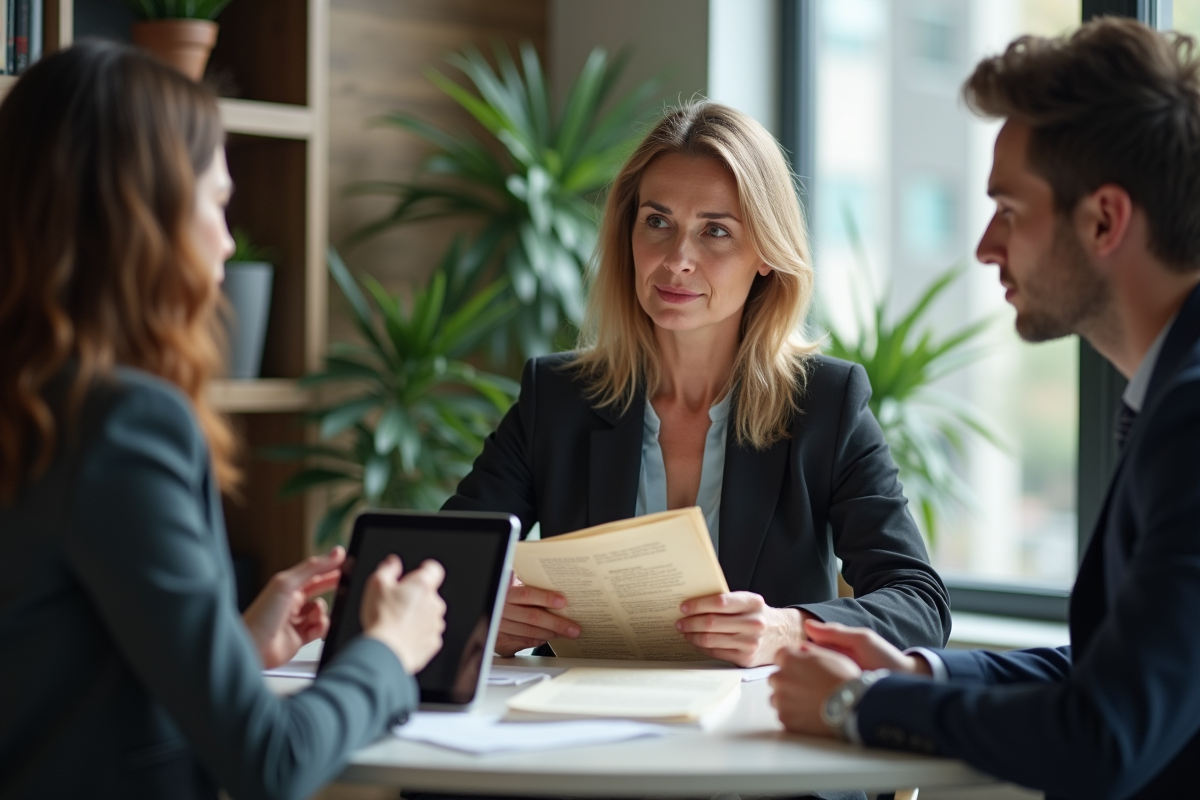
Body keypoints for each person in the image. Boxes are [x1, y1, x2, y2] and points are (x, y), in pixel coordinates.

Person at [0, 42, 448, 800]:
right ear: (143, 218)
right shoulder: (121, 422)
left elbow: (55, 684)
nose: (230, 241)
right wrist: (385, 652)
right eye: (215, 202)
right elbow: (271, 763)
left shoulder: (35, 403)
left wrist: (234, 650)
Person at [769, 17, 1200, 800]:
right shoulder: (1172, 396)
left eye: (1009, 209)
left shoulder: (1190, 418)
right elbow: (1114, 667)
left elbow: (1106, 734)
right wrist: (919, 672)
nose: (984, 246)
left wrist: (856, 705)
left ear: (1104, 220)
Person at [444, 101, 950, 667]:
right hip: (584, 712)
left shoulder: (826, 404)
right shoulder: (559, 397)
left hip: (757, 718)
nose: (677, 259)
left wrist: (790, 629)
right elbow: (435, 566)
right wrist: (484, 610)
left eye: (715, 231)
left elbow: (919, 604)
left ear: (766, 253)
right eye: (657, 222)